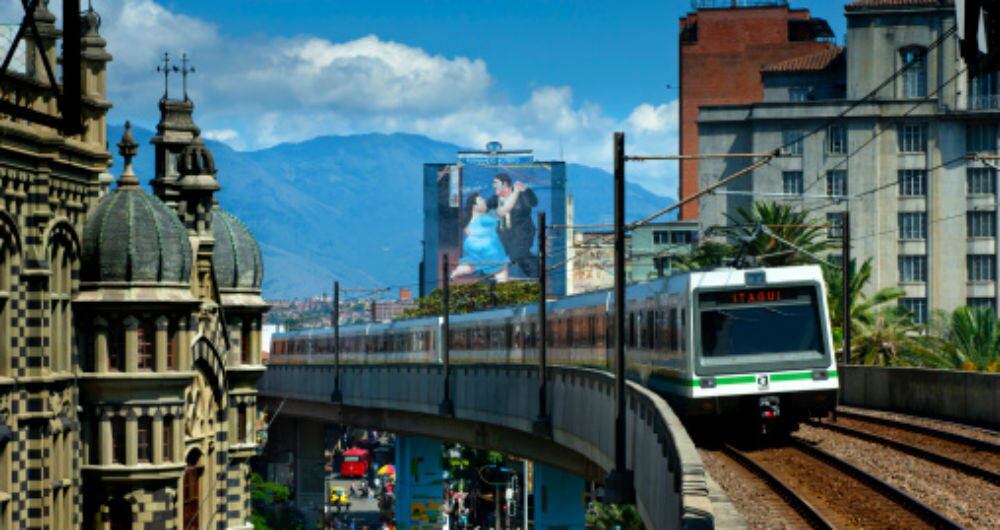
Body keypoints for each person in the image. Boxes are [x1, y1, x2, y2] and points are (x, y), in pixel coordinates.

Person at [486, 173, 539, 278]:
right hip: (503, 234)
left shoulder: (521, 195)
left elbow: (534, 202)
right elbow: (487, 210)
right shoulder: (494, 199)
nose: (493, 186)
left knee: (519, 255)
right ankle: (490, 281)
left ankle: (536, 277)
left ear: (505, 184)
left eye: (496, 183)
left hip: (521, 233)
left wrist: (527, 189)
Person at [450, 192, 509, 281]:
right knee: (500, 265)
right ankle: (503, 285)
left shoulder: (470, 219)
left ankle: (454, 273)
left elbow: (468, 230)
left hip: (471, 245)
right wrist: (515, 192)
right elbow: (503, 211)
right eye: (481, 200)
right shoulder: (484, 217)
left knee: (473, 263)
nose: (484, 200)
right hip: (488, 247)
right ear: (475, 206)